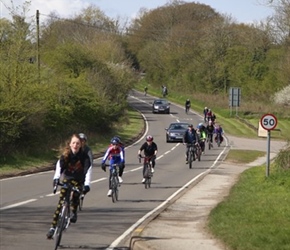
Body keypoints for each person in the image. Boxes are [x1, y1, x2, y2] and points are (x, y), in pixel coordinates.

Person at [46, 134, 91, 239]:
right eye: (73, 143)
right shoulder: (66, 155)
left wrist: (87, 184)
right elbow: (59, 167)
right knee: (60, 202)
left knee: (76, 194)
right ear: (70, 144)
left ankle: (74, 211)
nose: (75, 145)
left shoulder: (84, 157)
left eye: (78, 143)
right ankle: (52, 228)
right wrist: (56, 179)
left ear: (81, 145)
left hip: (79, 180)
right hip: (67, 178)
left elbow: (88, 170)